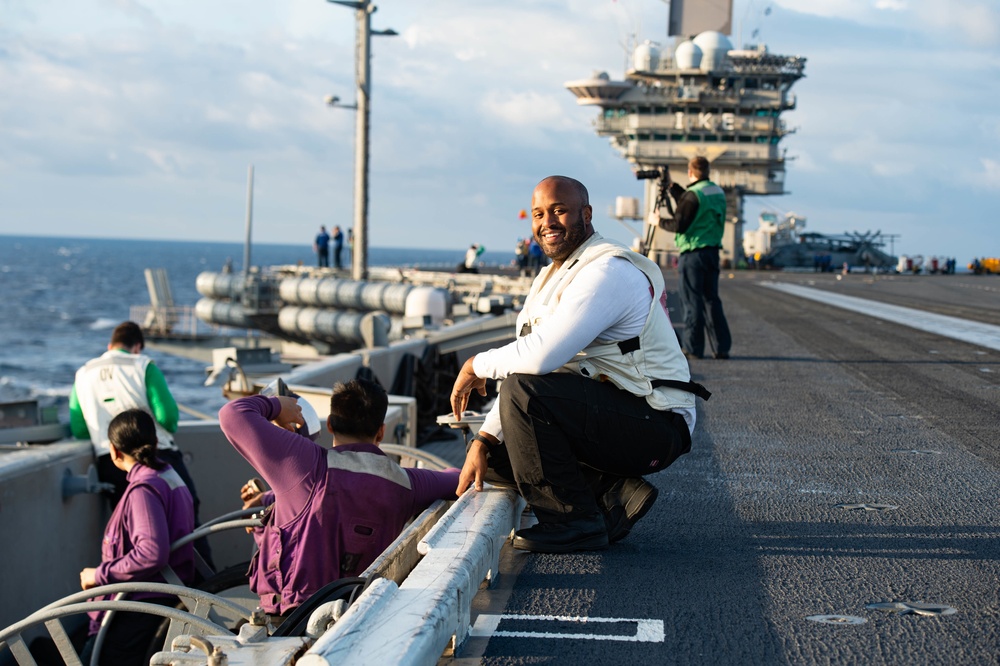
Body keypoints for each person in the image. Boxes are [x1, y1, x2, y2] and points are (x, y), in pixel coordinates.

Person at [450, 175, 708, 554]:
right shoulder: (552, 277)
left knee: (527, 397)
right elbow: (528, 361)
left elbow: (540, 357)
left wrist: (475, 364)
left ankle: (574, 521)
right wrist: (484, 440)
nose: (547, 222)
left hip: (658, 420)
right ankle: (615, 491)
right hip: (618, 409)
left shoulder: (608, 271)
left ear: (586, 214)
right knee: (493, 459)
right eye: (539, 214)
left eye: (559, 210)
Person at [219, 378, 461, 620]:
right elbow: (459, 478)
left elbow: (233, 414)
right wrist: (269, 498)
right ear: (381, 431)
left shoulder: (307, 464)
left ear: (331, 425)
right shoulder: (407, 484)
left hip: (293, 619)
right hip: (364, 616)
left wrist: (277, 406)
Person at [70, 321, 211, 565]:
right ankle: (205, 586)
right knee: (186, 526)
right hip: (159, 457)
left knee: (129, 536)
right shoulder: (143, 365)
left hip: (111, 465)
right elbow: (168, 418)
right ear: (137, 347)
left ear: (110, 345)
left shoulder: (83, 373)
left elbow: (79, 428)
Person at [79, 409, 195, 666]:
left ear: (114, 451)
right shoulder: (170, 476)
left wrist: (98, 575)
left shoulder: (143, 490)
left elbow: (151, 553)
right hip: (167, 598)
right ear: (155, 443)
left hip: (143, 606)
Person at [663, 156, 732, 360]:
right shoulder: (716, 191)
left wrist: (657, 220)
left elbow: (679, 223)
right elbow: (695, 206)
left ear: (690, 172)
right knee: (711, 300)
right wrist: (675, 190)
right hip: (712, 253)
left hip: (693, 254)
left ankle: (693, 348)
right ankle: (721, 347)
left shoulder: (693, 194)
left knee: (691, 301)